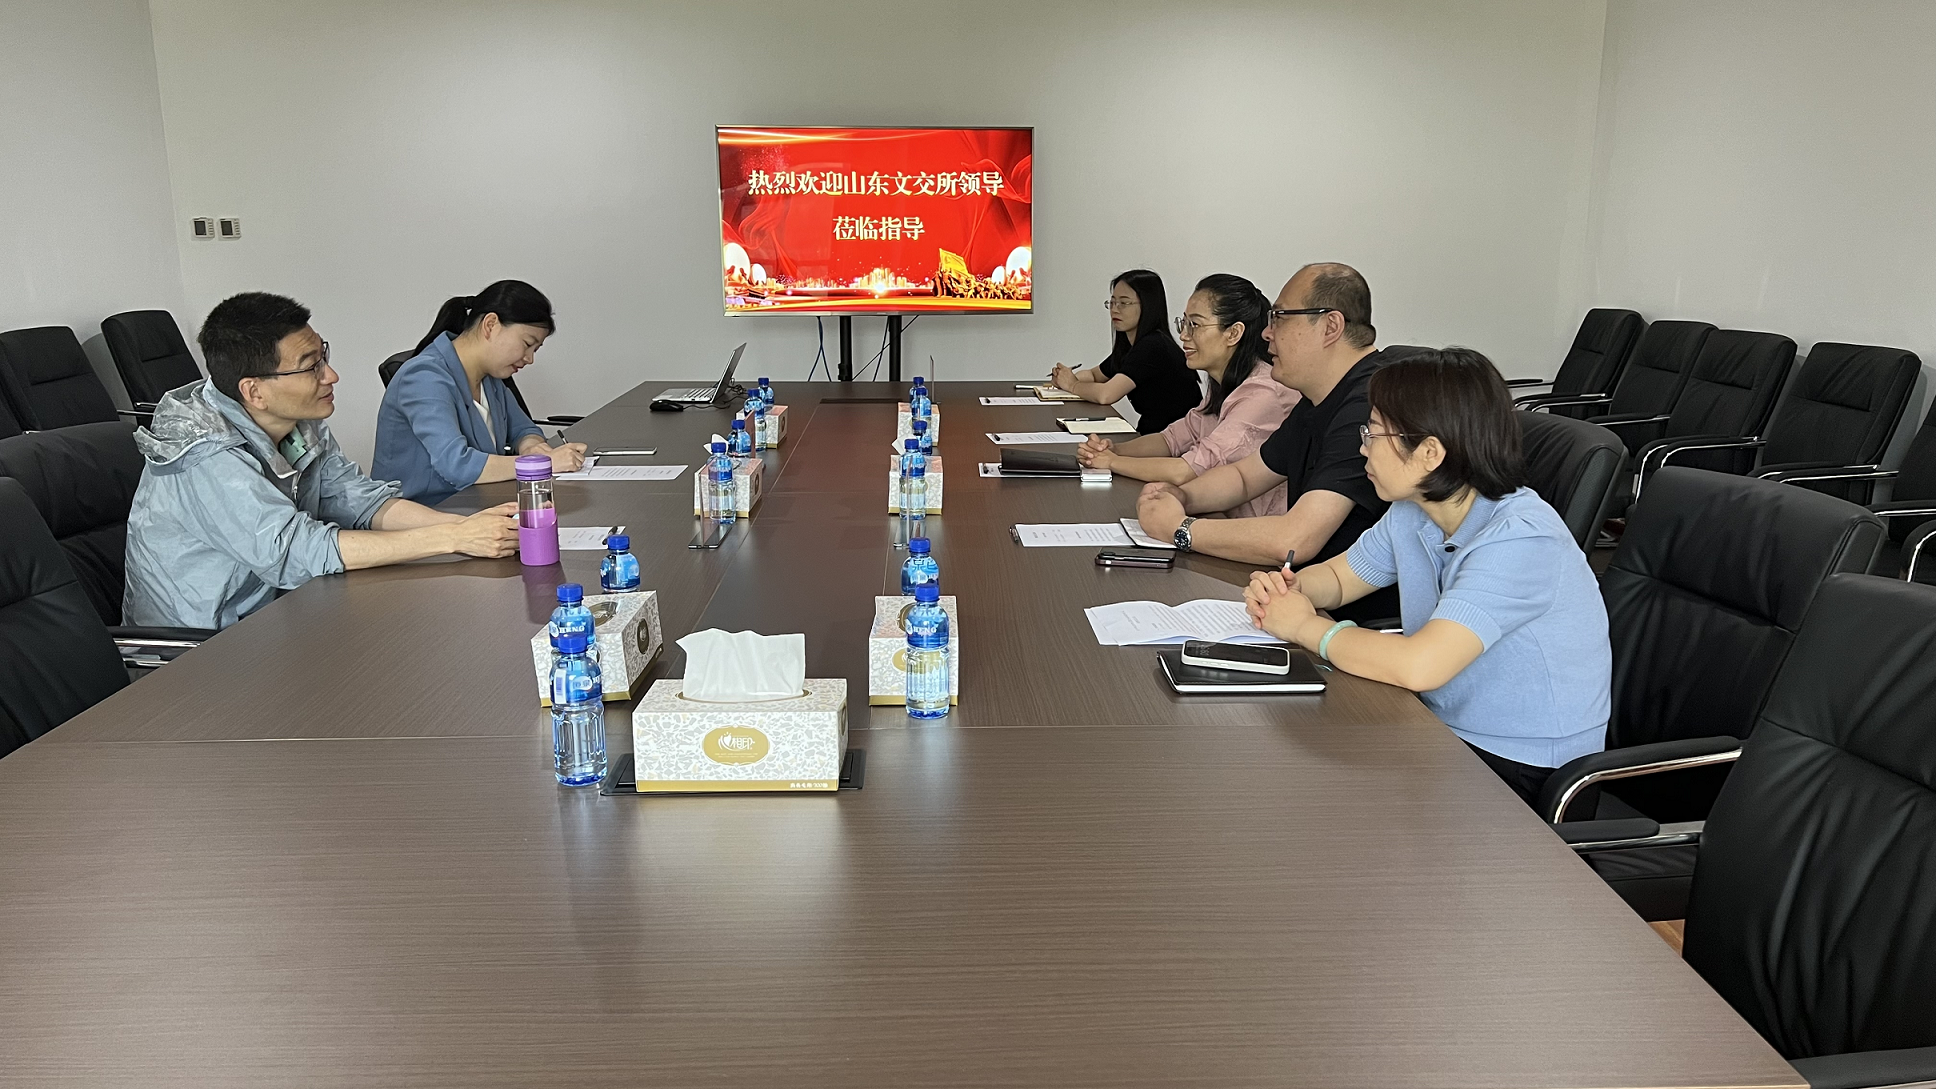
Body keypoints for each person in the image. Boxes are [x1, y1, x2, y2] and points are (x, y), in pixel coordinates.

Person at [1243, 348, 1611, 805]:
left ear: (1430, 453)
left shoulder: (1521, 538)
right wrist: (1289, 589)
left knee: (1321, 795)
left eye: (1373, 432)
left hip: (1525, 768)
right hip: (1442, 729)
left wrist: (1302, 625)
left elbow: (1421, 665)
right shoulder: (1415, 510)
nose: (1362, 447)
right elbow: (1339, 579)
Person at [124, 292, 521, 631]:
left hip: (284, 613)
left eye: (323, 356)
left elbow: (361, 501)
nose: (331, 375)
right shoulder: (205, 455)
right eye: (311, 366)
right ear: (255, 392)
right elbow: (293, 552)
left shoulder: (294, 423)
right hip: (205, 650)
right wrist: (452, 539)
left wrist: (469, 528)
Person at [1135, 263, 1395, 620]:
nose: (1267, 333)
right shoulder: (1317, 398)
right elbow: (1245, 476)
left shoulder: (1370, 404)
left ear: (1330, 326)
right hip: (1301, 599)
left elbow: (1296, 538)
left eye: (1280, 318)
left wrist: (1181, 529)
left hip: (1350, 621)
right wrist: (1180, 496)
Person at [1075, 274, 1297, 517]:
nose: (1183, 335)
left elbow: (1188, 470)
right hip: (1218, 515)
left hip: (1254, 528)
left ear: (1233, 333)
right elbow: (1172, 438)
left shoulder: (1263, 393)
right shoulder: (1225, 382)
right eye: (1184, 323)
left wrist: (1111, 462)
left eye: (1195, 325)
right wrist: (1115, 449)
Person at [373, 280, 586, 506]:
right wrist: (539, 464)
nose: (529, 359)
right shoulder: (423, 377)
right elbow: (457, 465)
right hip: (426, 514)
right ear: (491, 325)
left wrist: (531, 447)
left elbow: (523, 429)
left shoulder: (490, 378)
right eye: (527, 344)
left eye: (535, 349)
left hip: (476, 505)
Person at [1049, 269, 1201, 434]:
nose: (1115, 309)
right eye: (1112, 302)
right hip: (1156, 434)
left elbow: (1106, 395)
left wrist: (1072, 385)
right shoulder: (1131, 345)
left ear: (1147, 306)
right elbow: (1094, 375)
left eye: (1124, 303)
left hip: (1179, 440)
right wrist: (1065, 378)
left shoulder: (1154, 345)